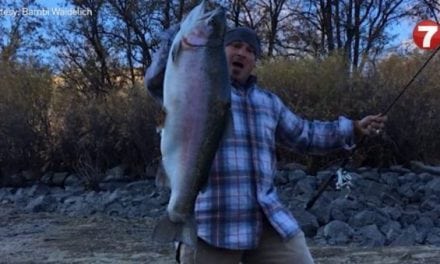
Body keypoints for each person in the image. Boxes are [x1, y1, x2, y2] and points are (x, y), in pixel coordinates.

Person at [145, 26, 387, 264]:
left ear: (254, 62)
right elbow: (156, 81)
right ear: (218, 51)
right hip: (211, 222)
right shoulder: (195, 87)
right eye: (235, 45)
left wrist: (353, 128)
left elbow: (306, 134)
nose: (242, 53)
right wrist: (177, 37)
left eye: (250, 50)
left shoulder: (269, 102)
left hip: (266, 219)